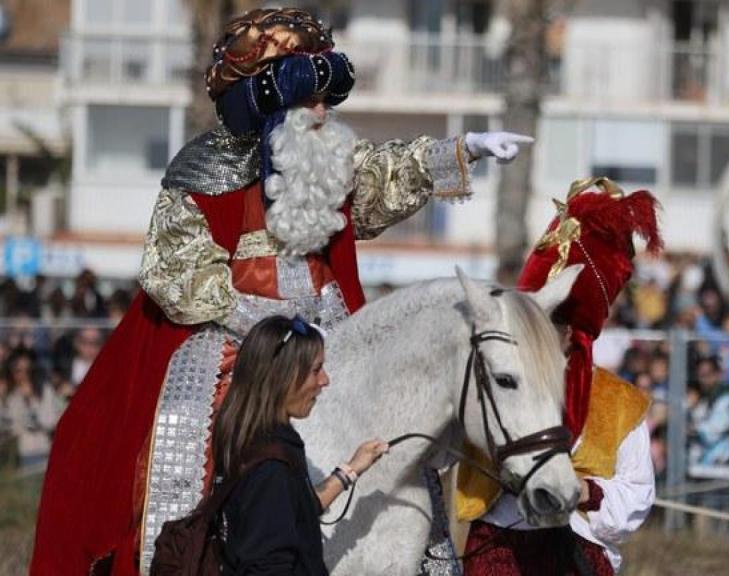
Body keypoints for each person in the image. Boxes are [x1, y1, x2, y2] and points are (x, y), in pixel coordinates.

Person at [33, 8, 533, 575]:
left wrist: (465, 149)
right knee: (186, 430)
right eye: (311, 101)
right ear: (270, 106)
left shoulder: (323, 161)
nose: (324, 113)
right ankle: (182, 552)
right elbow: (180, 278)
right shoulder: (201, 172)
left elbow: (385, 174)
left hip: (330, 333)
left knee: (391, 418)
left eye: (326, 100)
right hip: (237, 342)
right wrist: (275, 329)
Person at [457, 177, 662, 575]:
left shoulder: (620, 404)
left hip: (576, 553)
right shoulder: (491, 380)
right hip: (496, 548)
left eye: (549, 321)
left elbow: (637, 496)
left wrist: (585, 491)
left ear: (574, 330)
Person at [211, 315, 387, 575]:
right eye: (316, 370)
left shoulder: (259, 439)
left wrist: (350, 469)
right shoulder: (269, 466)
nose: (325, 380)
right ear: (282, 376)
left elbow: (296, 511)